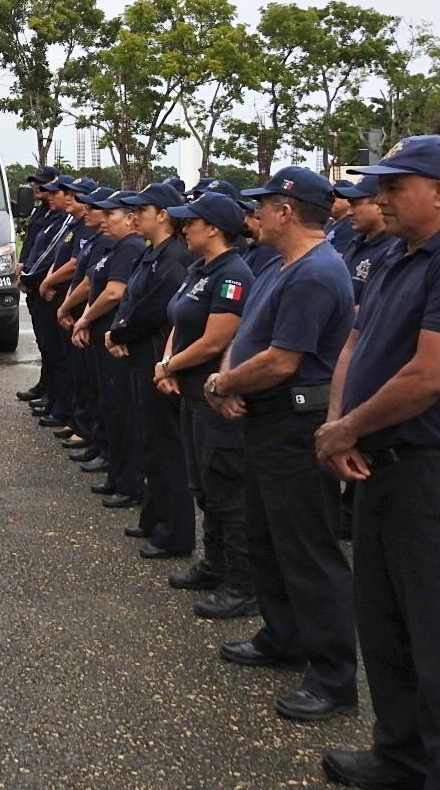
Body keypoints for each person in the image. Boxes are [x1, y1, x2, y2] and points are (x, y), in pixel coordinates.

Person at [312, 136, 440, 790]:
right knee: (388, 632)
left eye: (395, 187)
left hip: (436, 477)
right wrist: (341, 426)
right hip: (381, 468)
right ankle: (402, 759)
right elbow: (356, 343)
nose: (381, 198)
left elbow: (430, 376)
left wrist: (346, 430)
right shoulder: (401, 254)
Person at [204, 166, 357, 722]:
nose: (256, 215)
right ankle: (284, 636)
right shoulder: (280, 266)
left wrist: (223, 383)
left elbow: (282, 359)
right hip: (263, 420)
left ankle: (333, 676)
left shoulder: (316, 272)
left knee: (308, 551)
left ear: (287, 211)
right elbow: (247, 336)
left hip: (292, 428)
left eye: (263, 206)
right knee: (268, 539)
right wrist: (224, 378)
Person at [159, 191, 258, 619]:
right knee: (203, 485)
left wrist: (169, 366)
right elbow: (179, 319)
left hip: (213, 395)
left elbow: (217, 340)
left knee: (226, 491)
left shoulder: (233, 274)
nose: (185, 228)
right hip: (191, 391)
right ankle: (214, 565)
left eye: (192, 222)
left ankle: (241, 584)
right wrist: (167, 363)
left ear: (213, 227)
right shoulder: (201, 268)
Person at [107, 182, 192, 556]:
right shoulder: (151, 252)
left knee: (167, 447)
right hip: (140, 350)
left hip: (156, 355)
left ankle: (174, 534)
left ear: (163, 215)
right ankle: (154, 519)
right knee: (151, 442)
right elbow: (132, 298)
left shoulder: (173, 255)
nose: (136, 216)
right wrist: (121, 330)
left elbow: (156, 307)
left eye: (143, 210)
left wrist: (120, 331)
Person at [71, 194, 147, 508]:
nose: (103, 219)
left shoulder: (131, 247)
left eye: (110, 214)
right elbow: (95, 283)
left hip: (117, 340)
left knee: (122, 412)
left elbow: (115, 292)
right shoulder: (116, 246)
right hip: (103, 335)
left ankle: (128, 481)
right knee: (109, 404)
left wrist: (85, 318)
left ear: (129, 219)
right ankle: (116, 473)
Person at [59, 187, 117, 471]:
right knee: (93, 385)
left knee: (105, 393)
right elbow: (89, 277)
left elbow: (112, 292)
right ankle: (100, 445)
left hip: (104, 326)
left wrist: (79, 314)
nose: (98, 215)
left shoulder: (124, 247)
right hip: (90, 320)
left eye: (104, 211)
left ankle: (109, 453)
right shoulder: (98, 239)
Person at [28, 177, 86, 431]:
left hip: (64, 297)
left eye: (72, 195)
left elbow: (75, 265)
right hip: (52, 292)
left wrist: (46, 281)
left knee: (67, 361)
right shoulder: (67, 223)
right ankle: (56, 402)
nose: (52, 196)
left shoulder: (82, 228)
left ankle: (68, 412)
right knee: (52, 351)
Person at [16, 168, 64, 407]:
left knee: (52, 344)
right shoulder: (41, 212)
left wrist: (36, 277)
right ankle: (45, 385)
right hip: (34, 282)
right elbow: (32, 243)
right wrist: (22, 269)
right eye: (36, 184)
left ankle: (52, 393)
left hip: (47, 285)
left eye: (43, 186)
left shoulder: (60, 217)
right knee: (43, 342)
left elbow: (51, 254)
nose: (38, 188)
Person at [336, 176, 402, 306]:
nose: (349, 212)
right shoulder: (356, 243)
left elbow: (376, 306)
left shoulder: (395, 249)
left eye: (354, 204)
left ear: (378, 204)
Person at [326, 181, 358, 253]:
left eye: (334, 197)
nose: (330, 200)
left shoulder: (350, 224)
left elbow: (339, 257)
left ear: (349, 200)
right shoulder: (330, 223)